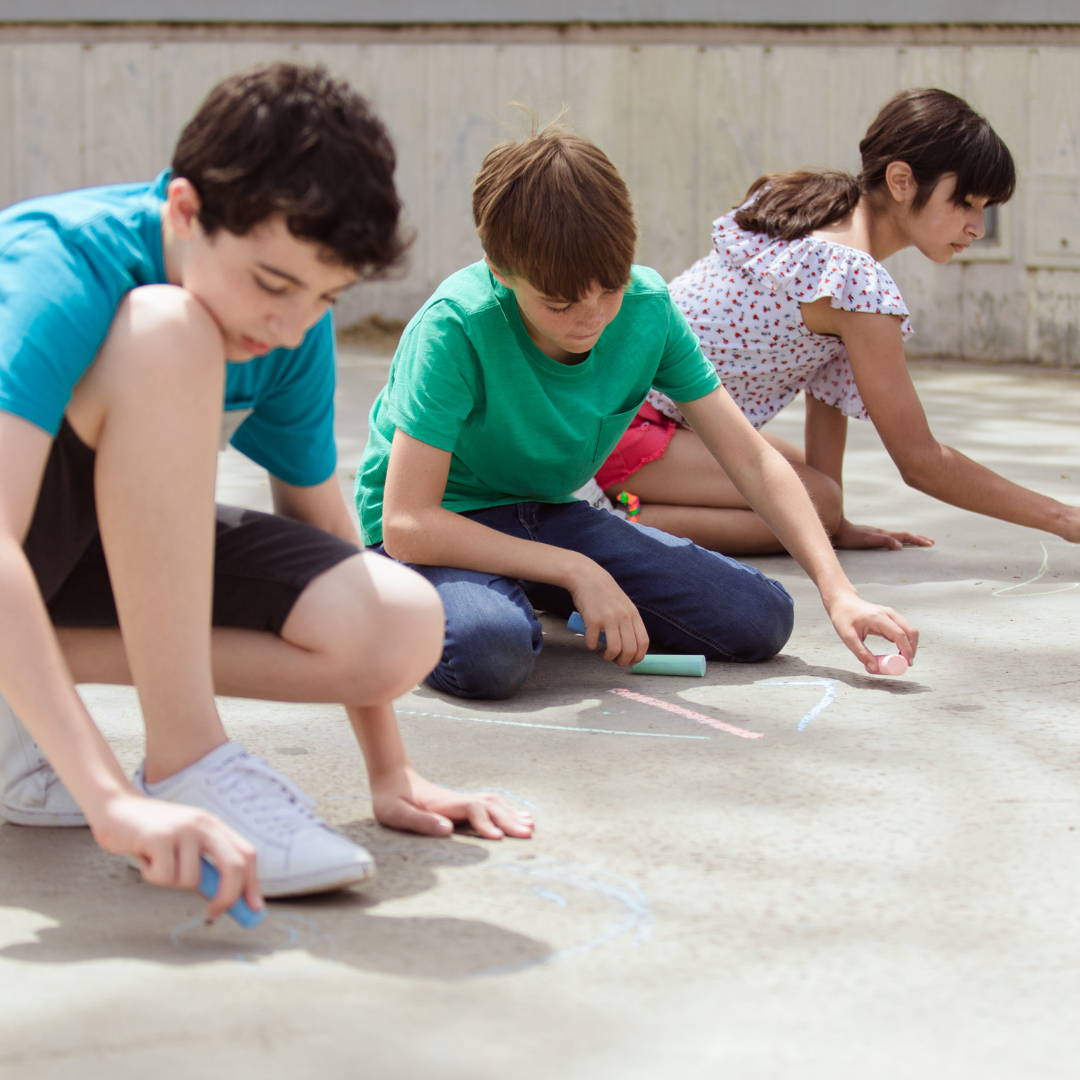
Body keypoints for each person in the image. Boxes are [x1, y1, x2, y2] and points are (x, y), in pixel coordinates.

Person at [0, 63, 531, 920]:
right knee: (167, 330)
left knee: (398, 621)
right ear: (183, 210)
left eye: (324, 296)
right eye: (273, 285)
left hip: (60, 575)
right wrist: (112, 801)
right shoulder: (58, 264)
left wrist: (390, 773)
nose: (288, 325)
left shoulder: (291, 320)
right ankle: (187, 760)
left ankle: (23, 700)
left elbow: (322, 527)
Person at [354, 117, 918, 703]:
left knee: (761, 619)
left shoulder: (647, 307)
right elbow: (408, 522)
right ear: (501, 271)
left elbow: (750, 459)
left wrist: (838, 591)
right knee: (491, 654)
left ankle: (519, 579)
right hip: (438, 527)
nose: (592, 317)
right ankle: (405, 596)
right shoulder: (456, 327)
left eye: (609, 289)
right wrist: (576, 570)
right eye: (560, 303)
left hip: (545, 514)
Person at [596, 88, 1080, 556]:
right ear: (901, 181)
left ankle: (618, 503)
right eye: (966, 203)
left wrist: (837, 524)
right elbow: (920, 461)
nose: (976, 225)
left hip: (615, 401)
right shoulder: (855, 278)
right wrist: (1063, 518)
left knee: (816, 490)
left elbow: (825, 391)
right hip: (625, 424)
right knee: (813, 502)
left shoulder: (817, 212)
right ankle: (607, 521)